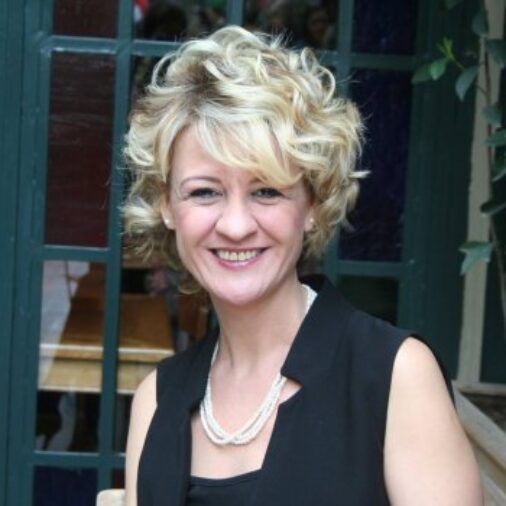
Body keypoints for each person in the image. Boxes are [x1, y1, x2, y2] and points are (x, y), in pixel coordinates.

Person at [122, 26, 482, 506]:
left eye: (266, 191)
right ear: (167, 205)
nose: (235, 225)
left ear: (313, 203)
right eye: (205, 191)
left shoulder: (395, 375)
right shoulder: (156, 400)